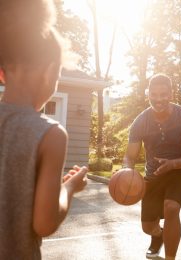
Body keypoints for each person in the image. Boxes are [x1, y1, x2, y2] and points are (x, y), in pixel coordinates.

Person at [0, 0, 88, 259]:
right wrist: (69, 188)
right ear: (51, 72)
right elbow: (45, 223)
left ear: (2, 74)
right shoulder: (50, 135)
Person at [122, 73, 181, 260]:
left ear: (171, 94)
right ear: (148, 94)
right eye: (154, 95)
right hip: (153, 175)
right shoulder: (140, 121)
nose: (158, 99)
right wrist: (127, 171)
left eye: (163, 94)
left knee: (171, 208)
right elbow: (130, 156)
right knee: (148, 227)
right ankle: (158, 236)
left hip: (179, 172)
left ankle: (170, 257)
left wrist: (173, 163)